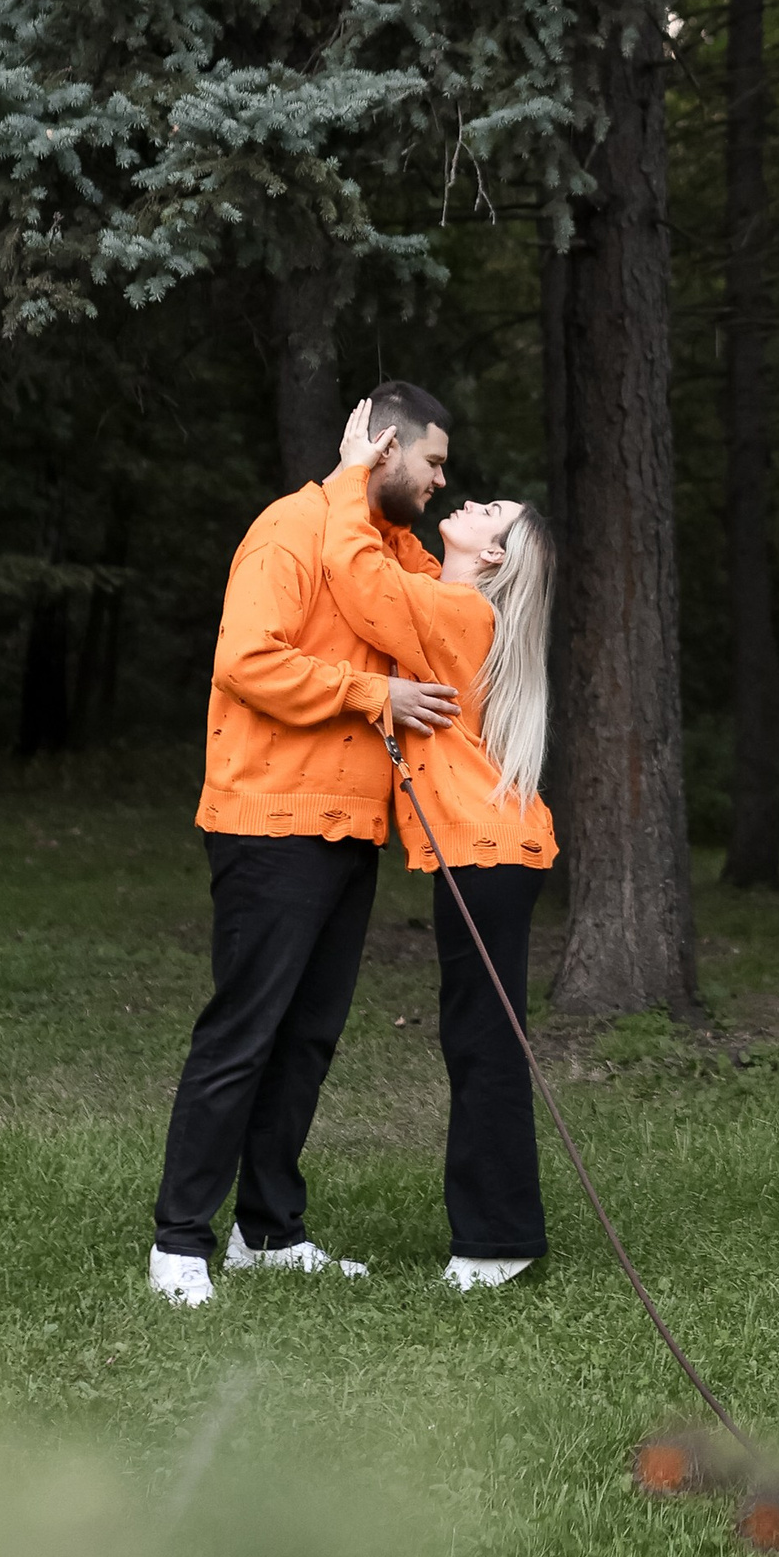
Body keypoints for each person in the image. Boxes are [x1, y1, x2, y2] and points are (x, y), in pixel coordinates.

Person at [146, 379, 460, 1306]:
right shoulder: (289, 528)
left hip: (348, 825)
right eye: (433, 461)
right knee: (244, 1033)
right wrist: (375, 696)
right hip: (269, 821)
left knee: (308, 1037)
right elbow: (247, 660)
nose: (442, 481)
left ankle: (268, 1231)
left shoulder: (381, 549)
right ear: (386, 449)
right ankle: (178, 1245)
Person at [321, 398, 558, 1291]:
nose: (468, 500)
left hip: (487, 856)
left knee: (483, 1044)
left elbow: (355, 572)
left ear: (492, 556)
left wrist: (351, 472)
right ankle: (500, 1234)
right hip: (485, 853)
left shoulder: (458, 618)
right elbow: (393, 565)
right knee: (479, 1039)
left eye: (489, 513)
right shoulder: (447, 601)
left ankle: (497, 1245)